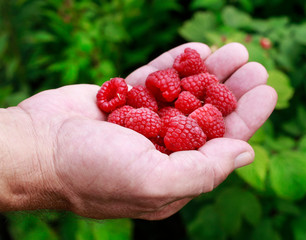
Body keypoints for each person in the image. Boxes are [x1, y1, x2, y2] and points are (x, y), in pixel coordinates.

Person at [0, 42, 277, 220]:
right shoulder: (151, 110)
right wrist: (44, 149)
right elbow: (154, 113)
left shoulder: (185, 103)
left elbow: (169, 113)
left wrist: (40, 145)